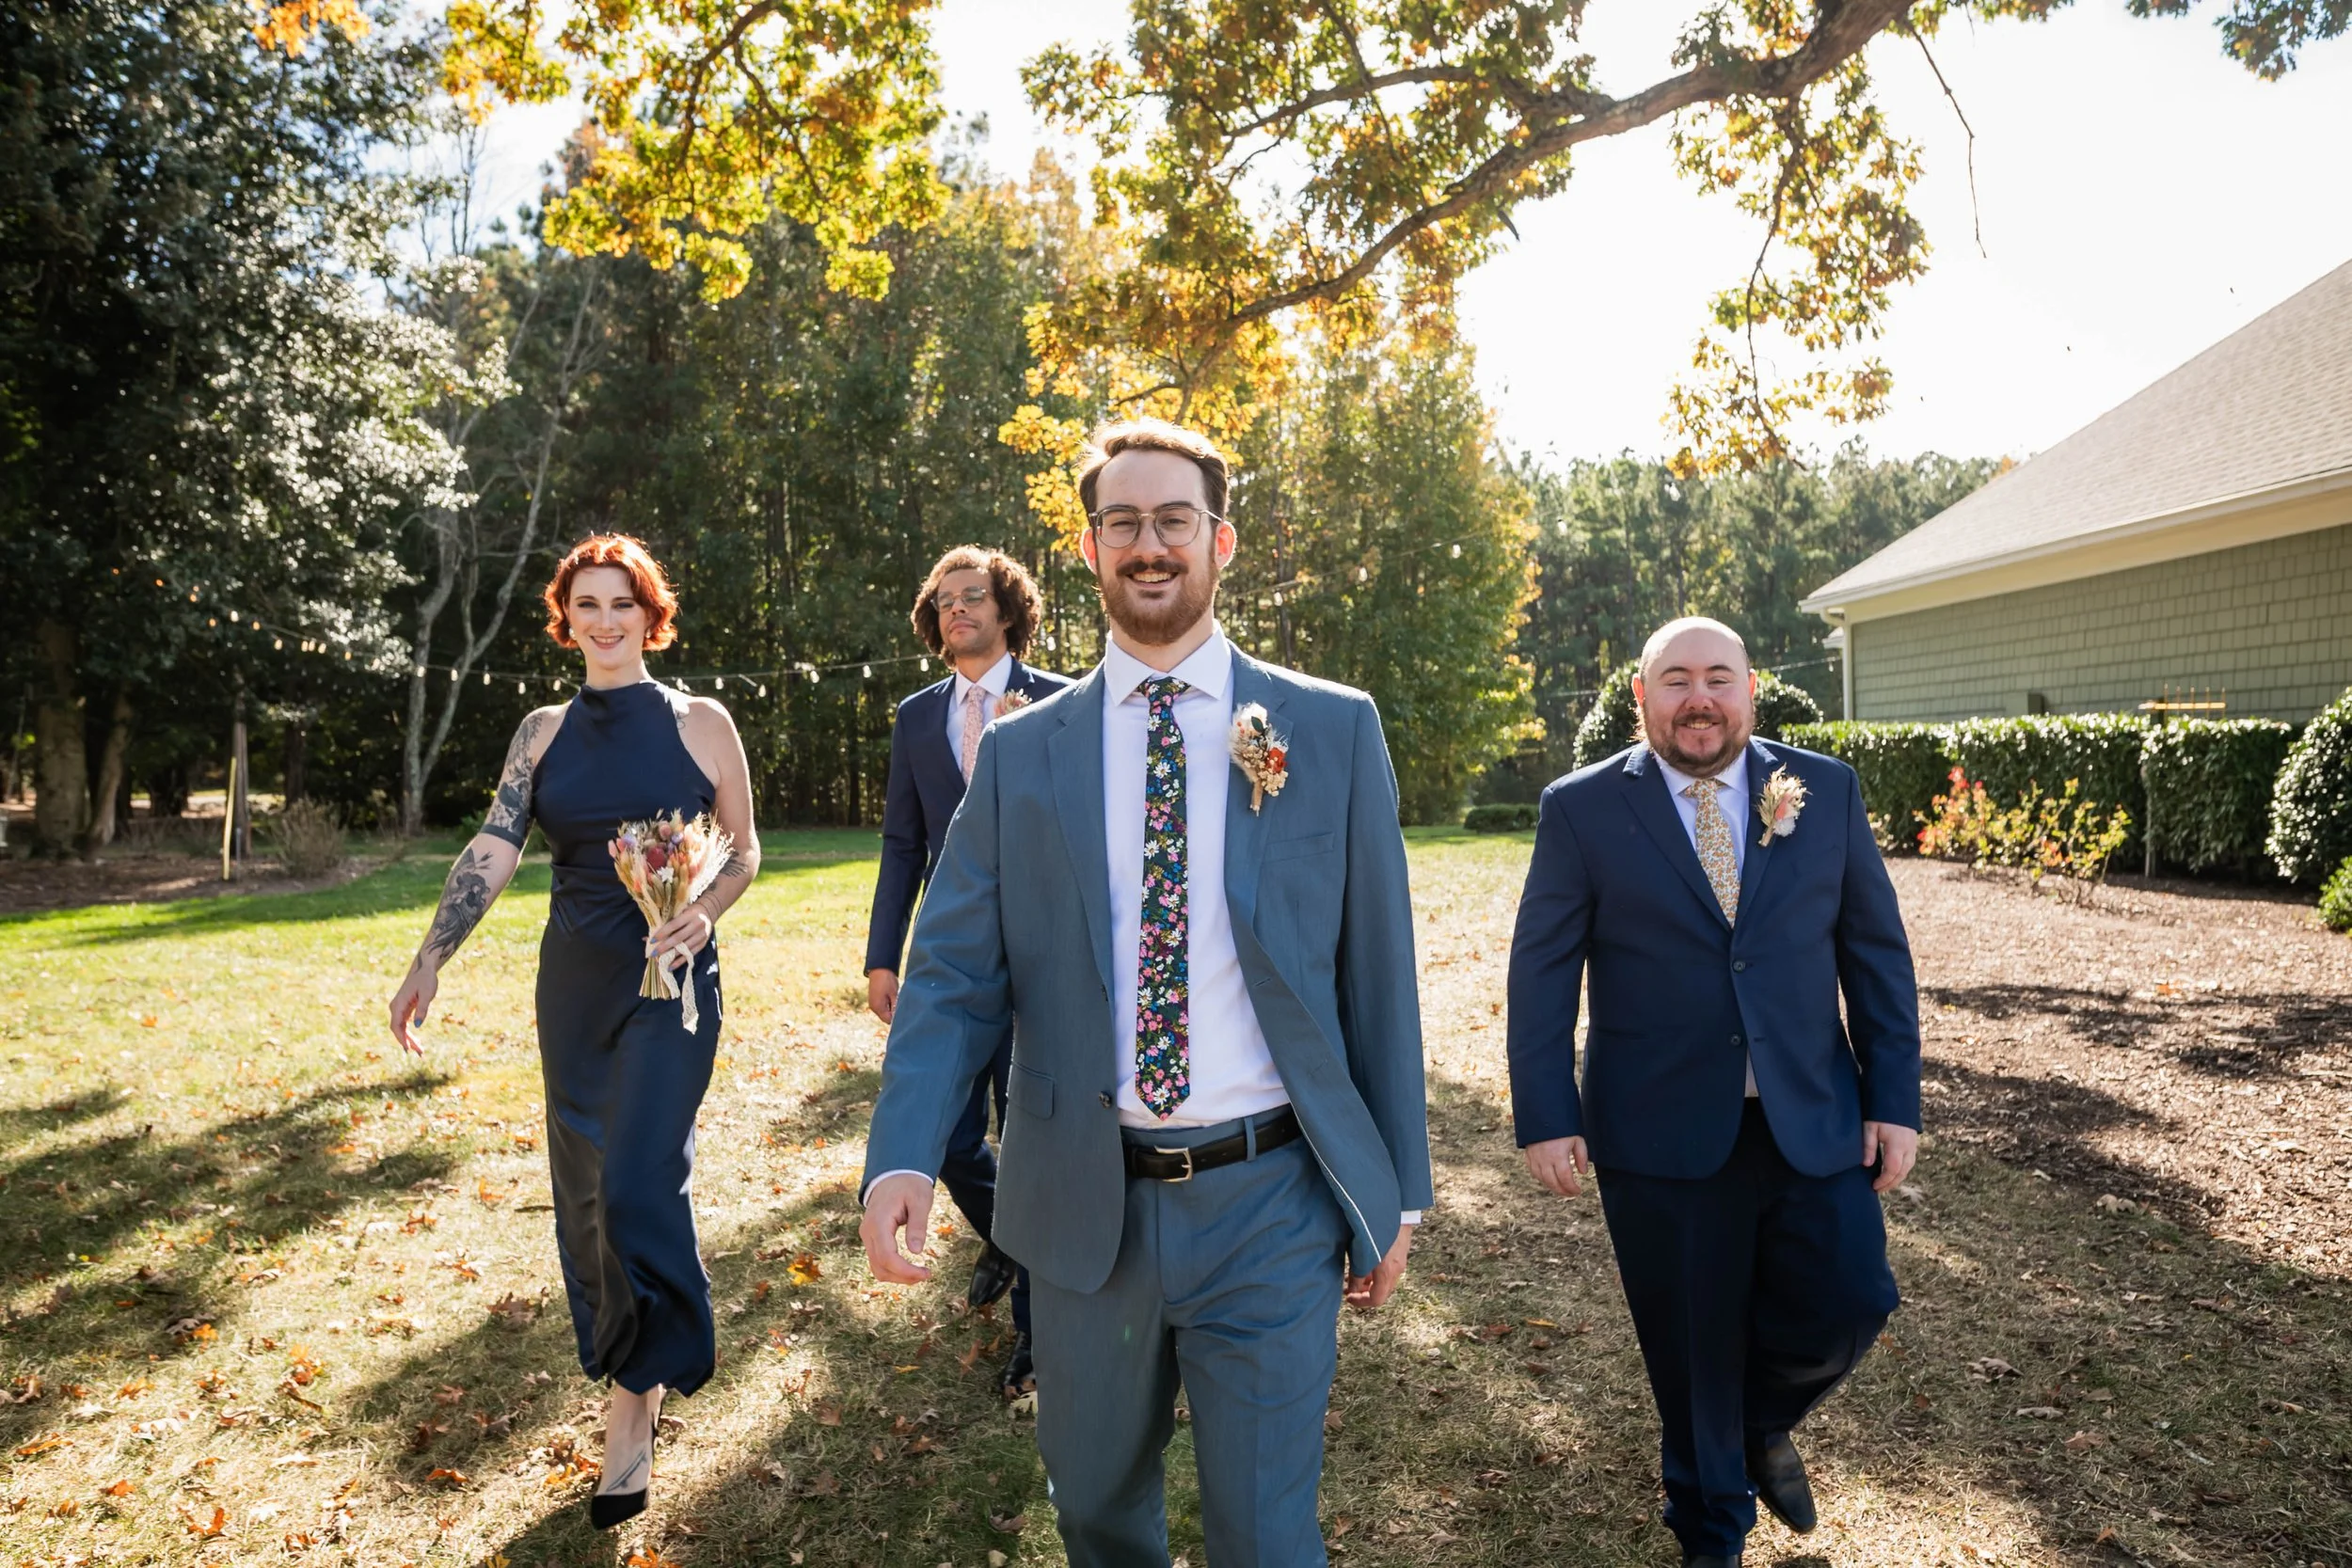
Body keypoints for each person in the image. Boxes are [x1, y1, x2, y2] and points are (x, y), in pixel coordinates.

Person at [859, 418, 1431, 1568]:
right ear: (1089, 549)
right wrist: (904, 1151)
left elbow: (1378, 974)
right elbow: (953, 975)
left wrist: (1397, 1193)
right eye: (1122, 522)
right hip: (1083, 1205)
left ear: (1220, 540)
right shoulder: (1021, 755)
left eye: (1174, 518)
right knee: (1097, 1514)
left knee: (1266, 1536)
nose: (1149, 543)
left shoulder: (1330, 727)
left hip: (1271, 1201)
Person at [1504, 616, 1919, 1568]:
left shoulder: (1825, 789)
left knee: (1851, 1298)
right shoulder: (1581, 808)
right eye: (1677, 679)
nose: (1700, 697)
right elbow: (1542, 969)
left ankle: (1755, 1426)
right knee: (1691, 1339)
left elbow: (1876, 954)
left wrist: (1893, 1097)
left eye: (1718, 678)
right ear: (1641, 695)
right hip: (1658, 1123)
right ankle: (1710, 1529)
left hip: (1809, 1110)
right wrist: (1546, 1112)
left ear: (1750, 690)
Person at [387, 534, 760, 1532]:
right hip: (575, 989)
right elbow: (496, 844)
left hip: (671, 986)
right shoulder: (541, 731)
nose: (604, 620)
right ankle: (635, 1362)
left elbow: (744, 849)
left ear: (650, 615)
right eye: (586, 603)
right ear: (567, 618)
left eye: (622, 602)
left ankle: (633, 1410)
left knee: (639, 1182)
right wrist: (431, 956)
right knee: (590, 1194)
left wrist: (703, 912)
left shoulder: (702, 722)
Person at [865, 545, 1071, 1395]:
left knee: (1029, 1136)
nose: (957, 607)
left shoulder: (1065, 702)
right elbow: (902, 842)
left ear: (1007, 608)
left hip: (1046, 960)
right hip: (953, 960)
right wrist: (883, 954)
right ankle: (1010, 1237)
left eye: (973, 594)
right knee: (947, 1136)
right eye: (944, 598)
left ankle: (1039, 1331)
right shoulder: (917, 718)